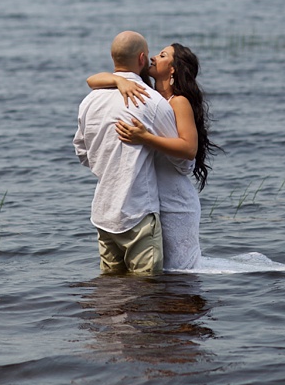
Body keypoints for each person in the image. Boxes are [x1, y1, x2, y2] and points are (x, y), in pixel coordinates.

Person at [87, 43, 218, 271]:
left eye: (162, 55)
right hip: (150, 200)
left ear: (173, 69)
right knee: (158, 270)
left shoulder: (179, 101)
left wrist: (145, 137)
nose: (154, 57)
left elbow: (189, 149)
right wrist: (119, 80)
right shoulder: (149, 96)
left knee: (178, 274)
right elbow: (92, 80)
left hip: (175, 203)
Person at [73, 32, 191, 275]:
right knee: (146, 291)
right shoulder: (152, 101)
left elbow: (83, 154)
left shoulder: (88, 102)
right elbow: (183, 162)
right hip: (138, 211)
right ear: (141, 58)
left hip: (103, 212)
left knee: (111, 292)